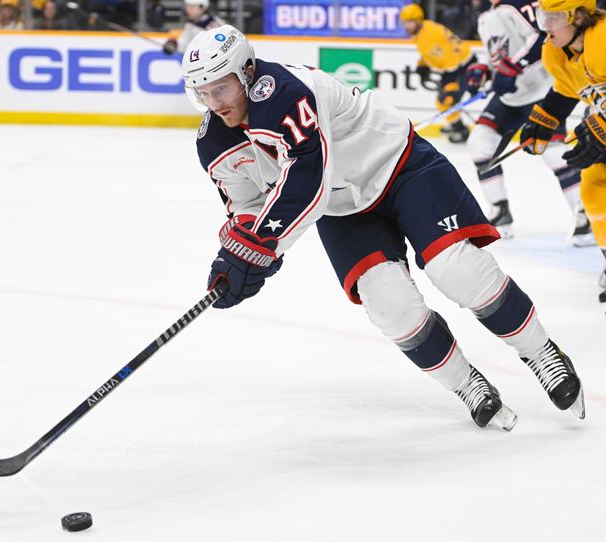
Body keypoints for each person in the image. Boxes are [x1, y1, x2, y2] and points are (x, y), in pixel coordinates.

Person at [183, 25, 585, 429]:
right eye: (204, 93)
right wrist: (235, 253)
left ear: (248, 73)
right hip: (344, 209)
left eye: (222, 88)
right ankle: (466, 384)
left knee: (457, 270)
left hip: (400, 166)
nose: (214, 103)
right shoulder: (212, 142)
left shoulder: (283, 91)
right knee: (390, 306)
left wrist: (260, 246)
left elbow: (308, 180)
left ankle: (541, 351)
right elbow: (248, 207)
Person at [464, 0, 593, 244]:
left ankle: (584, 215)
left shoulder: (521, 4)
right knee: (480, 144)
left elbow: (543, 37)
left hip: (542, 92)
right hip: (510, 98)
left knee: (553, 154)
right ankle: (500, 211)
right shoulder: (484, 17)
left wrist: (514, 67)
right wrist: (484, 70)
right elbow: (497, 55)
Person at [519, 0, 606, 301]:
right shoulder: (557, 50)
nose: (545, 26)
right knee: (593, 190)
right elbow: (568, 89)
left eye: (553, 17)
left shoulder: (603, 38)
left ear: (579, 16)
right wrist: (545, 116)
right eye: (543, 16)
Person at [401, 3, 475, 143]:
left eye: (409, 22)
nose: (407, 26)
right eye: (404, 22)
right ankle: (455, 123)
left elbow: (452, 58)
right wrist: (422, 65)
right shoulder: (423, 29)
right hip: (456, 65)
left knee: (446, 100)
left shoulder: (428, 35)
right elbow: (429, 53)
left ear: (418, 19)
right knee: (445, 100)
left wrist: (450, 82)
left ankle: (461, 130)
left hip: (463, 66)